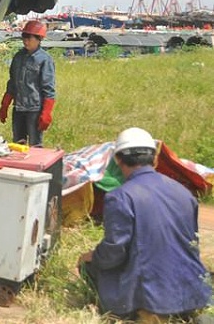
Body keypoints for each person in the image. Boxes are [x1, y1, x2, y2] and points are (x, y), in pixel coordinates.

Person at [78, 127, 212, 320]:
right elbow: (190, 243)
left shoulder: (120, 197)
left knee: (89, 265)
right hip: (191, 293)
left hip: (152, 297)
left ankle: (137, 312)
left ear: (118, 160)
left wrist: (89, 257)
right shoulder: (183, 193)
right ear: (155, 159)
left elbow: (114, 253)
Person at [0, 19, 56, 146]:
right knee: (18, 144)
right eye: (24, 36)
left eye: (29, 37)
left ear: (39, 39)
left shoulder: (45, 60)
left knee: (35, 146)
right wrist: (5, 105)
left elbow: (49, 89)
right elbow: (12, 83)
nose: (25, 40)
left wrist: (46, 113)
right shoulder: (18, 57)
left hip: (34, 110)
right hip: (18, 109)